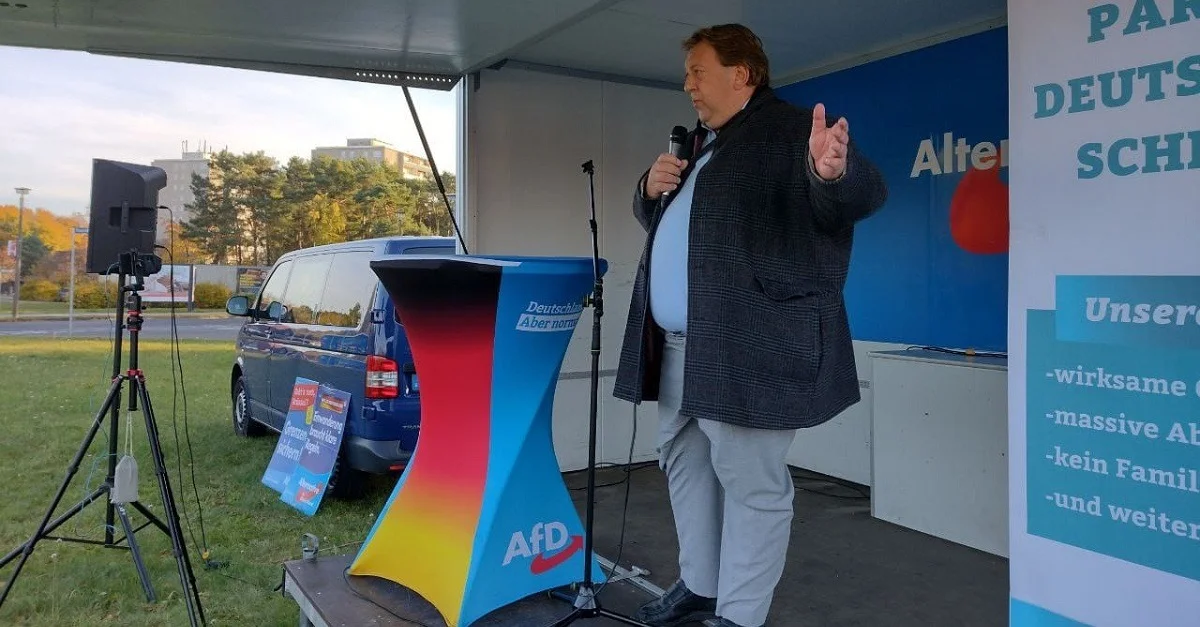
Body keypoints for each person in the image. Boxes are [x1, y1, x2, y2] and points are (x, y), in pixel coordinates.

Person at [611, 23, 889, 627]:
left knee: (751, 481)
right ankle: (701, 584)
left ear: (742, 74)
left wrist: (832, 173)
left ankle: (738, 616)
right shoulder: (705, 143)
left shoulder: (791, 131)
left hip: (749, 345)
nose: (687, 84)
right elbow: (676, 223)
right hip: (681, 345)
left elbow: (855, 195)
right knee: (683, 459)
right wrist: (648, 189)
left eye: (698, 71)